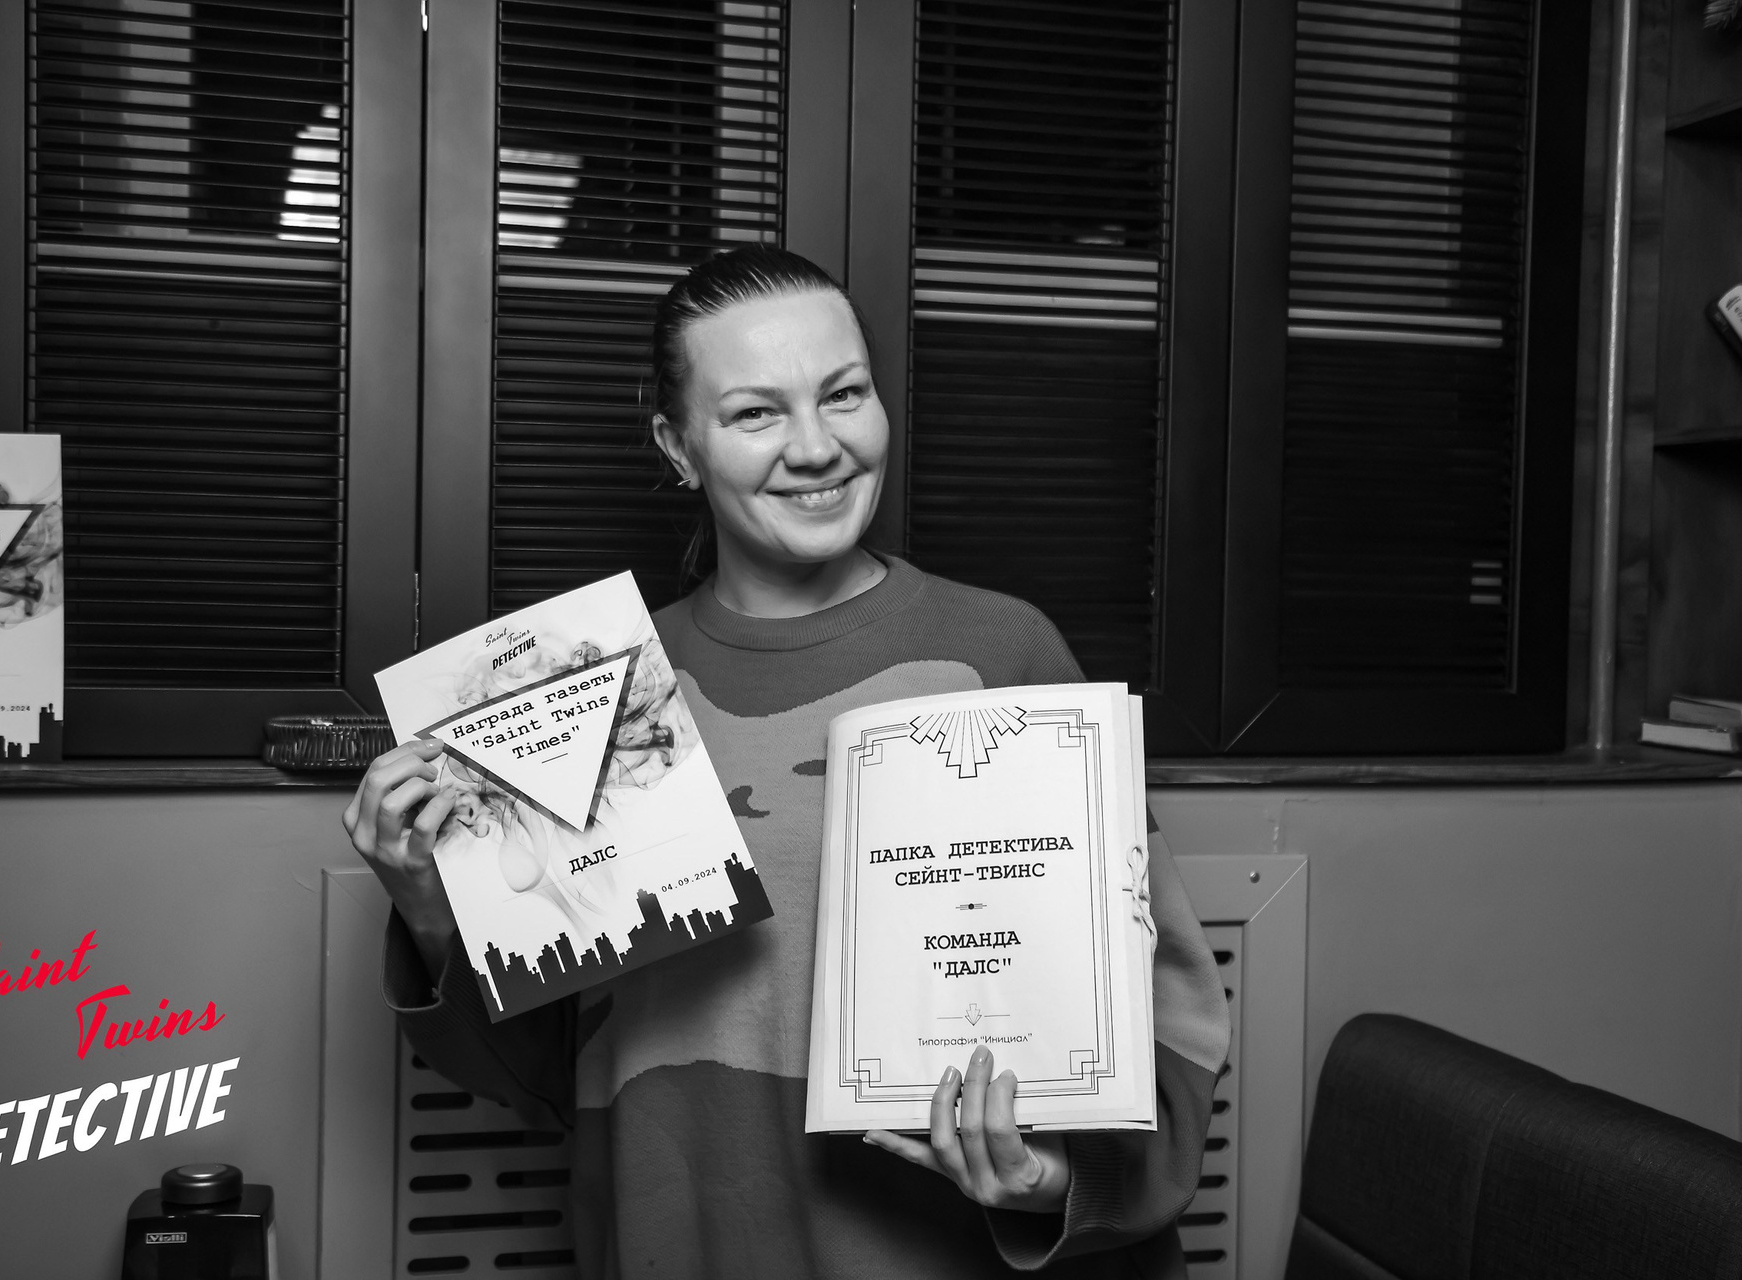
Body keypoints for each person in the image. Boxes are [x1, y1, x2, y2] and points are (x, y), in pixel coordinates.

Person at [343, 244, 1230, 1277]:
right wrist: (431, 910)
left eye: (843, 394)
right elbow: (551, 1075)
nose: (816, 447)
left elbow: (1162, 1009)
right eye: (757, 412)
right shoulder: (602, 699)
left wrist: (1057, 1182)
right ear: (679, 447)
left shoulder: (1002, 652)